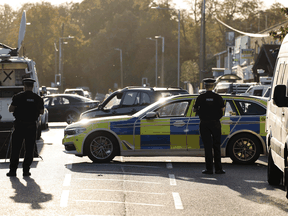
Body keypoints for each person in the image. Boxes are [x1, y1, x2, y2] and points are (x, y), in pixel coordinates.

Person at [6, 78, 44, 177]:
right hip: (31, 126)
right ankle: (26, 170)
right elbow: (41, 112)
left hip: (19, 125)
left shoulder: (17, 97)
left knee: (16, 148)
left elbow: (11, 109)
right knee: (29, 148)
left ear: (24, 86)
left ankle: (13, 171)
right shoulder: (38, 98)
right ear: (32, 87)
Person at [193, 78, 225, 174]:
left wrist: (201, 112)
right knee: (216, 145)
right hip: (215, 123)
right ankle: (219, 169)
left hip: (204, 123)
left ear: (205, 86)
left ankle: (209, 169)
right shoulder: (218, 97)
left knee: (207, 146)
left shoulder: (200, 97)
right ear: (213, 86)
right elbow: (222, 110)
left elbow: (194, 110)